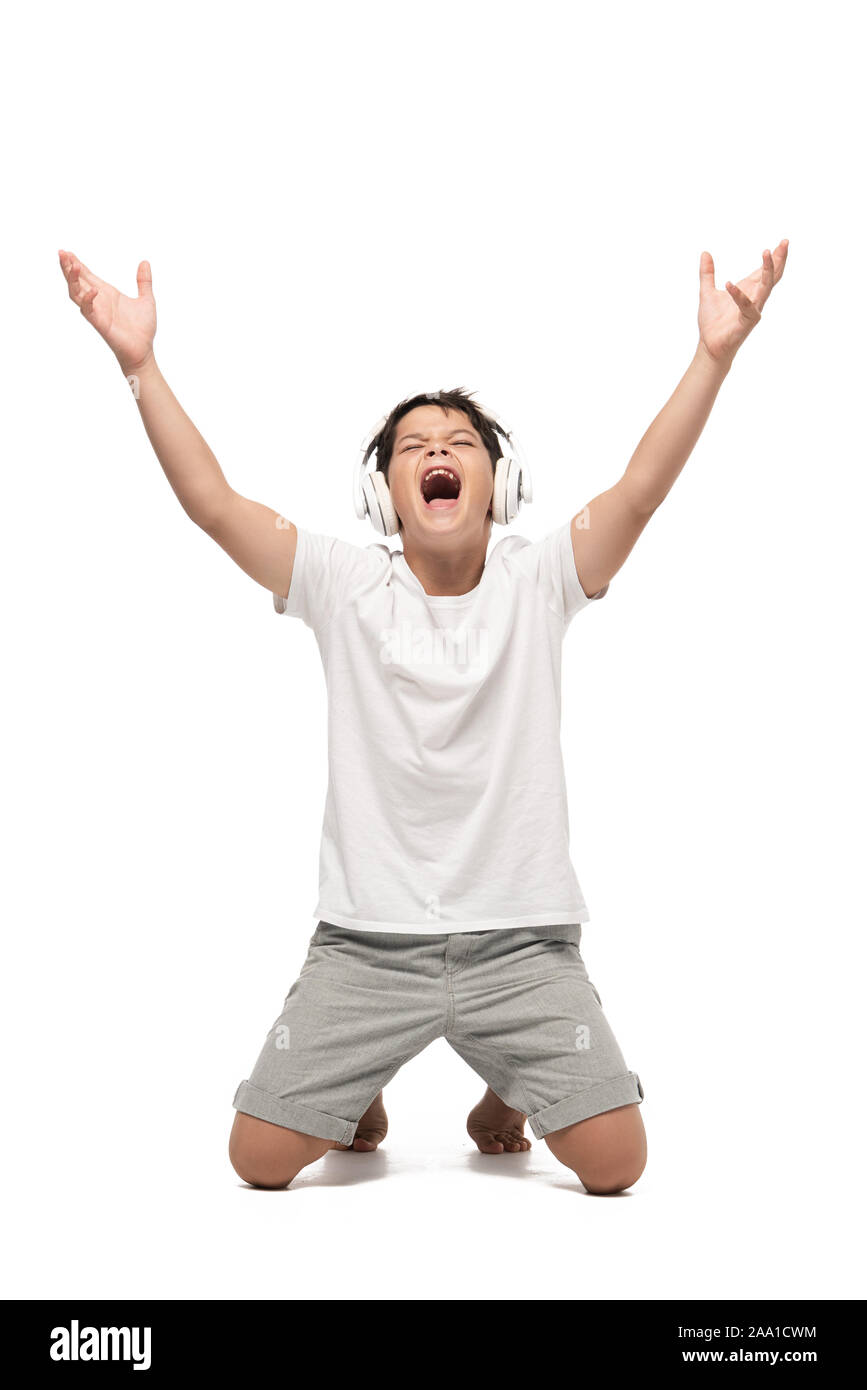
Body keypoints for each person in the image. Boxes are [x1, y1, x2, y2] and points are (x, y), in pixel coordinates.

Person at [58, 240, 788, 1194]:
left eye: (459, 445)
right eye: (412, 448)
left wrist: (714, 356)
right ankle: (360, 1078)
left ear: (500, 484)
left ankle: (505, 1089)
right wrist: (140, 366)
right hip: (367, 946)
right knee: (258, 1161)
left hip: (520, 944)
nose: (436, 453)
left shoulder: (542, 579)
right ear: (384, 494)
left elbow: (641, 488)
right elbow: (212, 503)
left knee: (615, 1167)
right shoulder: (342, 581)